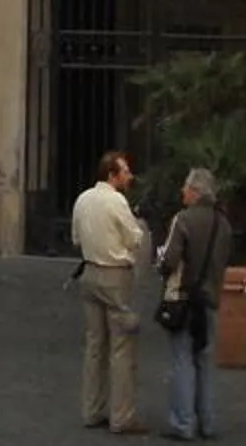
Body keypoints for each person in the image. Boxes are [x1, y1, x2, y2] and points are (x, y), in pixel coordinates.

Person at [72, 149, 151, 434]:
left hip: (90, 272)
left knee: (94, 345)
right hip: (115, 276)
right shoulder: (117, 202)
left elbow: (76, 237)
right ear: (112, 175)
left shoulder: (82, 199)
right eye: (125, 171)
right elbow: (134, 238)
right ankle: (122, 416)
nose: (130, 175)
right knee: (121, 347)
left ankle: (92, 409)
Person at [155, 166, 234, 441]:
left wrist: (161, 264)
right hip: (210, 298)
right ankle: (208, 422)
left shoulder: (183, 220)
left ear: (195, 191)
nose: (182, 192)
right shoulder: (223, 224)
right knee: (205, 361)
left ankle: (183, 421)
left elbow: (170, 260)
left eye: (186, 188)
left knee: (182, 361)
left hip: (183, 299)